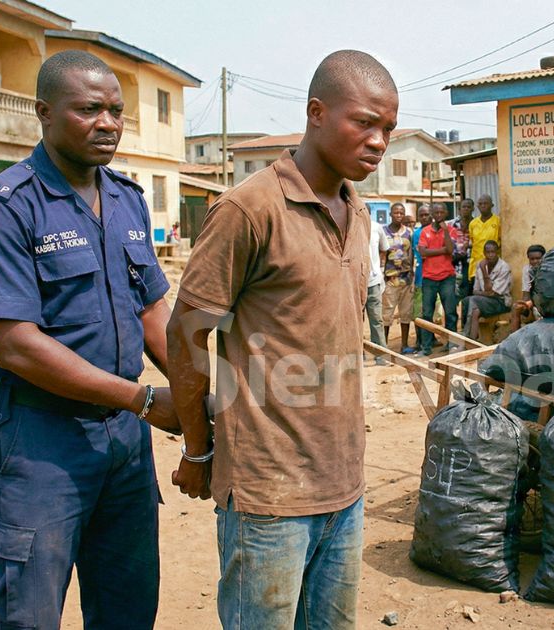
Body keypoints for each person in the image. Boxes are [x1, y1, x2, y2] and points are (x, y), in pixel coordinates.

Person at [165, 49, 398, 630]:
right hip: (268, 495)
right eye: (364, 122)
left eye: (388, 129)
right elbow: (187, 333)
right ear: (316, 113)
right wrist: (198, 449)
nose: (378, 141)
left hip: (343, 483)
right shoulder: (249, 209)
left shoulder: (357, 210)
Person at [0, 50, 179, 629]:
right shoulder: (2, 210)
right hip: (41, 443)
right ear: (44, 112)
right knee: (26, 616)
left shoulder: (128, 198)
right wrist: (145, 400)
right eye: (88, 109)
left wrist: (200, 385)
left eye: (115, 110)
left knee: (127, 607)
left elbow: (154, 308)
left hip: (124, 445)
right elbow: (17, 344)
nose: (107, 122)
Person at [418, 202, 460, 354]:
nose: (439, 215)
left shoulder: (452, 230)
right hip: (429, 277)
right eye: (436, 213)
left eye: (442, 212)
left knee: (450, 312)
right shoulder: (425, 231)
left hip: (447, 277)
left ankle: (452, 344)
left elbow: (450, 250)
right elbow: (423, 252)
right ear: (432, 215)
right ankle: (426, 347)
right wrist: (442, 250)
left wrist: (446, 232)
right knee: (427, 313)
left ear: (446, 214)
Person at [462, 240, 513, 343]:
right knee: (469, 303)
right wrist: (485, 294)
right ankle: (472, 341)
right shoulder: (479, 265)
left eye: (493, 252)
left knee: (472, 300)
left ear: (497, 252)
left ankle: (465, 338)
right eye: (488, 252)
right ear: (484, 253)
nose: (490, 255)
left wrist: (484, 271)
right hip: (483, 301)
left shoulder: (504, 267)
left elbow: (493, 293)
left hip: (501, 302)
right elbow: (475, 290)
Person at [382, 203, 417, 354]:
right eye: (396, 212)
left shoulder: (409, 232)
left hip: (406, 279)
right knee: (386, 314)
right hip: (390, 279)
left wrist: (412, 274)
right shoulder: (383, 232)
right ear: (390, 214)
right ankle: (383, 346)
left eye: (401, 213)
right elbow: (381, 254)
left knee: (405, 313)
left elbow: (412, 254)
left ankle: (404, 344)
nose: (398, 215)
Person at [366, 215, 390, 361]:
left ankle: (381, 356)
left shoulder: (376, 227)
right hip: (353, 283)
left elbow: (384, 248)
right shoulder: (347, 224)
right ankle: (356, 355)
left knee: (376, 319)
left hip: (372, 281)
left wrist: (379, 266)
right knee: (353, 321)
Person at [511, 244, 546, 331]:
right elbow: (526, 293)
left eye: (538, 258)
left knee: (538, 312)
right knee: (516, 308)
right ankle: (515, 339)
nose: (535, 261)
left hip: (546, 302)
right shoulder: (527, 270)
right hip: (534, 301)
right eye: (532, 259)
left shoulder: (548, 270)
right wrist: (525, 305)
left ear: (544, 258)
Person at [452, 198, 475, 326]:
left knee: (468, 300)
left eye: (468, 207)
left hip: (470, 267)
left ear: (472, 209)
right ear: (459, 209)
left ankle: (466, 329)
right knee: (452, 301)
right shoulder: (452, 225)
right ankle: (453, 332)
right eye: (463, 207)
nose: (465, 209)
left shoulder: (476, 224)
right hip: (454, 266)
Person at [468, 194, 501, 281]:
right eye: (480, 204)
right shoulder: (473, 223)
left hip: (493, 264)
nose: (483, 206)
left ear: (492, 205)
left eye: (485, 203)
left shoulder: (498, 221)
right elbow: (473, 242)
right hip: (476, 264)